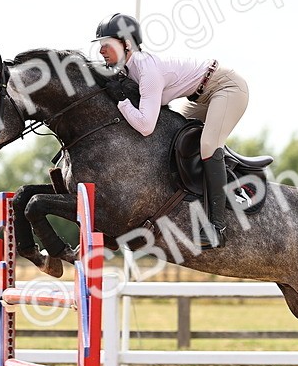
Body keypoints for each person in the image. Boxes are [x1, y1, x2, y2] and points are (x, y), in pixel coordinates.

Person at [94, 13, 249, 250]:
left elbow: (145, 126)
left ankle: (217, 227)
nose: (102, 51)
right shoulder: (129, 69)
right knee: (175, 141)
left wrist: (121, 100)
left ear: (126, 44)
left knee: (208, 145)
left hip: (227, 88)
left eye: (107, 44)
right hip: (200, 96)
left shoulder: (147, 71)